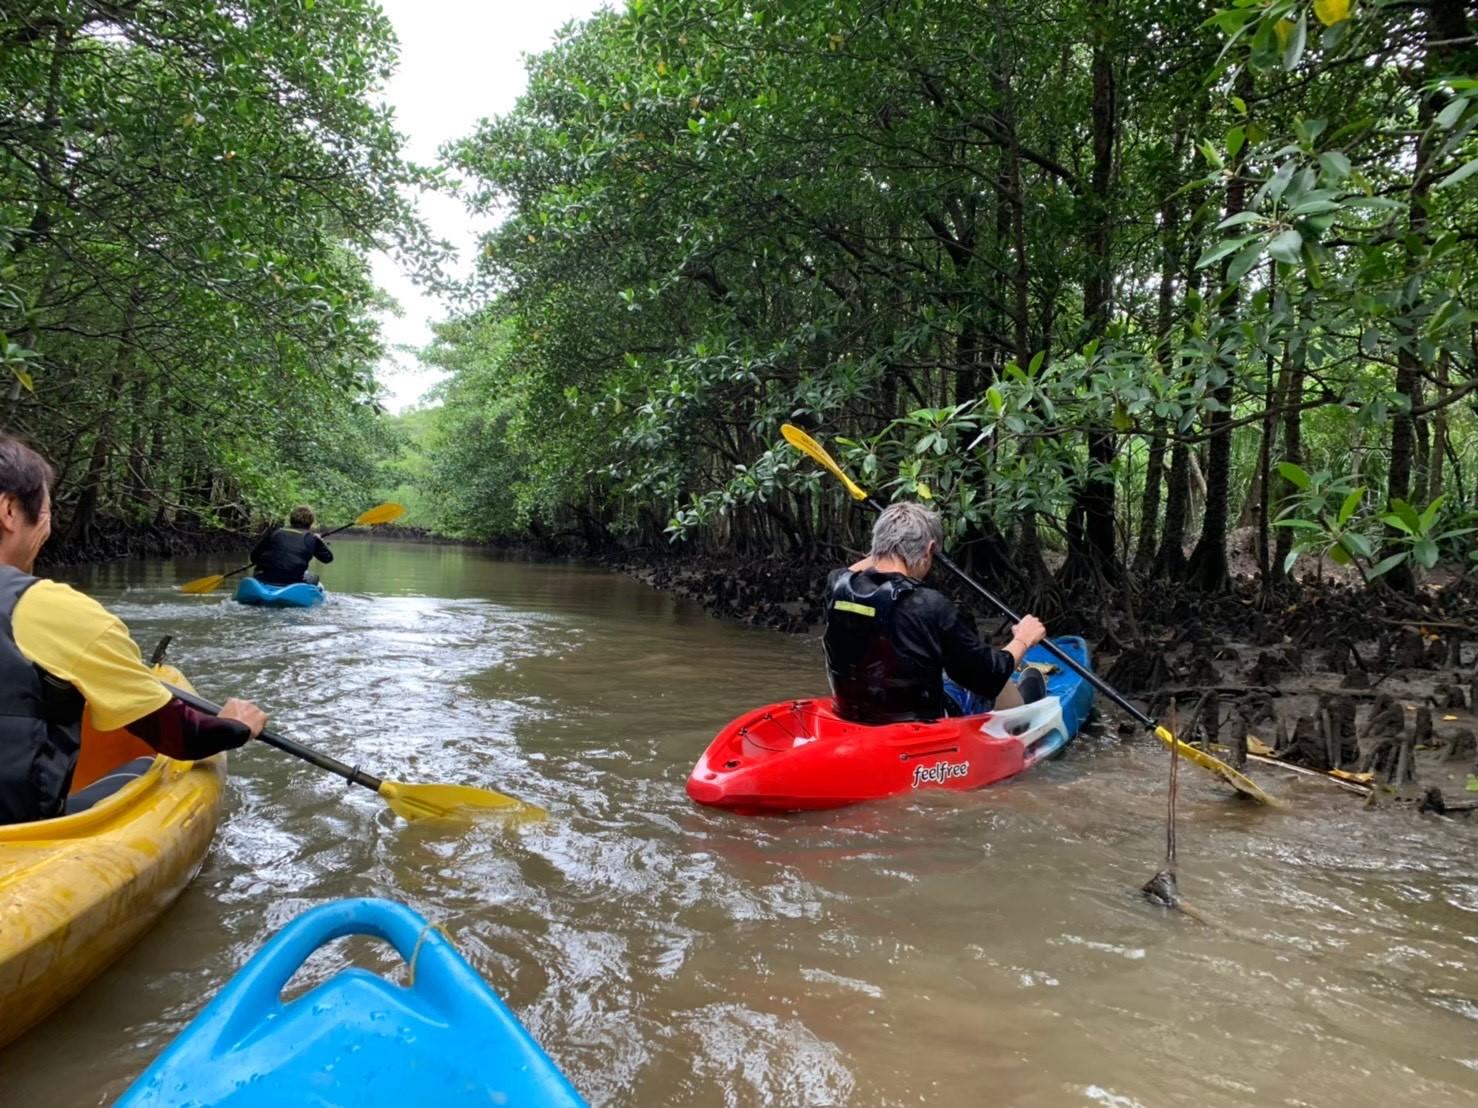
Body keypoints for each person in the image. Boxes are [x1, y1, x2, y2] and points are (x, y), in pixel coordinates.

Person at [0, 434, 268, 825]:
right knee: (145, 766)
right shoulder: (52, 610)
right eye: (47, 512)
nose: (49, 528)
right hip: (17, 840)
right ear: (8, 511)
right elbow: (182, 739)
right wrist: (235, 726)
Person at [823, 501, 1049, 723]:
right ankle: (1023, 717)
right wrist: (1023, 639)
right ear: (930, 550)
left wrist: (887, 545)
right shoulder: (930, 605)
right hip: (918, 727)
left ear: (878, 545)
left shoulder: (836, 586)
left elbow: (849, 571)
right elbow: (988, 676)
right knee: (993, 672)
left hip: (854, 713)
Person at [250, 505, 333, 586]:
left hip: (264, 577)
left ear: (291, 519)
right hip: (292, 581)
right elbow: (327, 558)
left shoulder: (275, 533)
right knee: (314, 578)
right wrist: (319, 541)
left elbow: (254, 557)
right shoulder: (311, 538)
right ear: (311, 523)